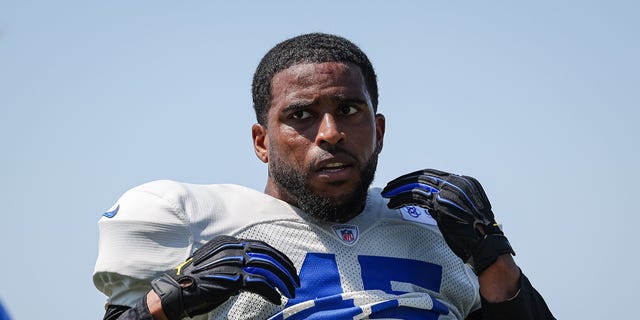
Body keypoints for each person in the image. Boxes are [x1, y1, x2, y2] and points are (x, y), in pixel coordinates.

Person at [93, 32, 555, 320]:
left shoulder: (440, 231)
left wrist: (493, 259)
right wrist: (165, 303)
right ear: (261, 141)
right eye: (301, 115)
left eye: (349, 110)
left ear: (378, 130)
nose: (331, 134)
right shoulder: (187, 218)